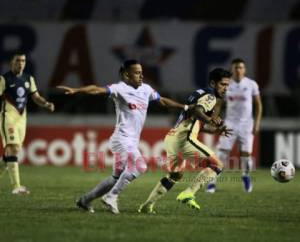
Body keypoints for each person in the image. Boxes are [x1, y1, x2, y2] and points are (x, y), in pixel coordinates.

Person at [57, 59, 193, 214]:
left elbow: (162, 101)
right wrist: (77, 90)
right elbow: (96, 89)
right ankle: (111, 197)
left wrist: (185, 107)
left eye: (142, 72)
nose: (141, 75)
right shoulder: (119, 88)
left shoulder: (146, 89)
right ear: (127, 75)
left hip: (131, 141)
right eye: (137, 73)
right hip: (121, 139)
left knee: (116, 177)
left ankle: (85, 200)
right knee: (140, 166)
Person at [138, 68, 231, 214]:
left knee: (175, 175)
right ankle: (189, 193)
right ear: (213, 83)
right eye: (223, 84)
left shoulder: (200, 92)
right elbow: (197, 111)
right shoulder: (210, 96)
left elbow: (194, 120)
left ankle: (147, 205)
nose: (226, 88)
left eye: (227, 85)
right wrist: (210, 119)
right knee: (217, 165)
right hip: (184, 138)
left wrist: (213, 129)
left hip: (173, 136)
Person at [0, 52, 55, 194]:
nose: (21, 63)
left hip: (21, 119)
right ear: (12, 62)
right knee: (12, 148)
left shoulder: (28, 79)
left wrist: (46, 103)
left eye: (23, 61)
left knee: (14, 150)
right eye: (18, 60)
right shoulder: (3, 79)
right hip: (8, 117)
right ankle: (16, 186)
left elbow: (35, 97)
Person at [206, 58, 263, 193]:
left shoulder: (251, 84)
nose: (238, 70)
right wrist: (213, 120)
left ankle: (246, 176)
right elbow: (219, 104)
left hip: (247, 124)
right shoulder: (226, 84)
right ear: (232, 69)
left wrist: (257, 123)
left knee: (246, 154)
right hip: (230, 123)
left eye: (241, 67)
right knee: (222, 153)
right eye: (236, 67)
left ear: (244, 69)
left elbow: (258, 105)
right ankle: (212, 182)